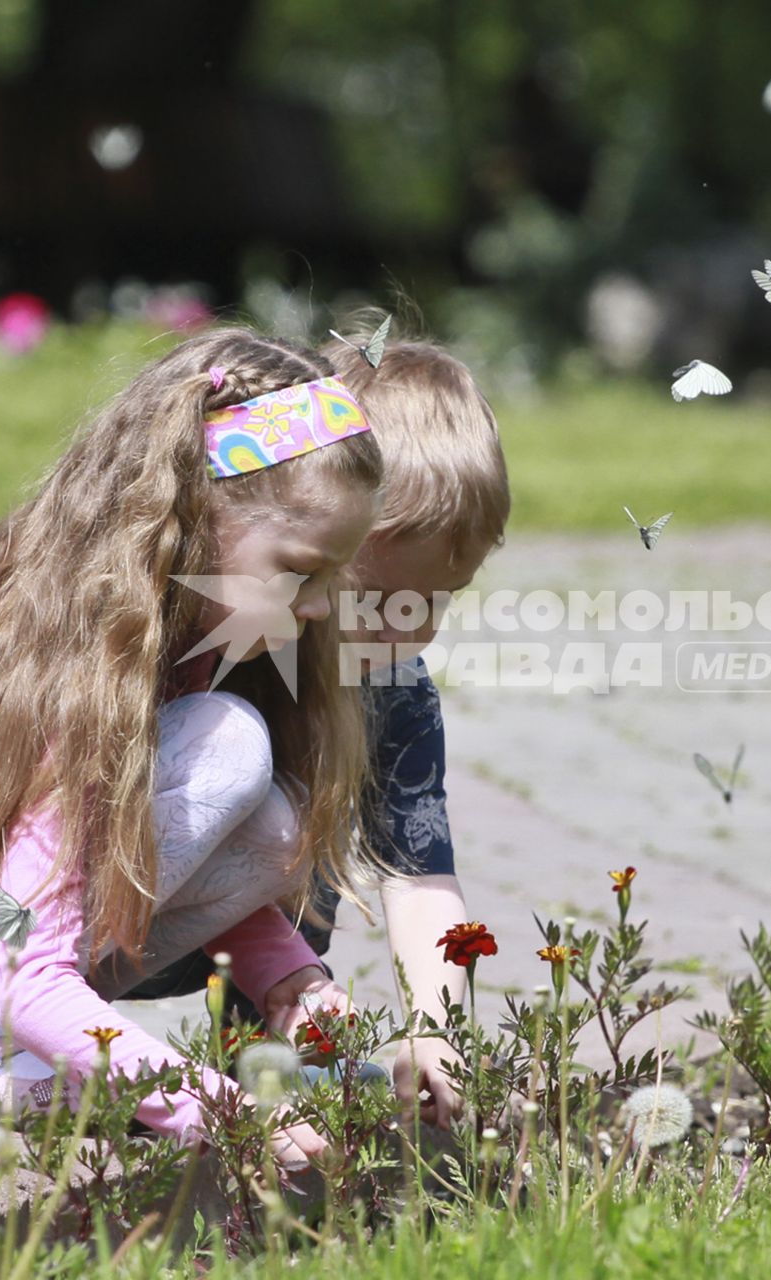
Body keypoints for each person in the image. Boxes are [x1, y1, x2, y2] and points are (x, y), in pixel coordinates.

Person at [0, 329, 382, 1164]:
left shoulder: (176, 630)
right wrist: (230, 1118)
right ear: (197, 518)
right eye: (301, 570)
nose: (316, 608)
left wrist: (289, 978)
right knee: (228, 749)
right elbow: (36, 969)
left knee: (270, 821)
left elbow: (182, 850)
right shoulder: (67, 667)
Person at [138, 333, 509, 1129]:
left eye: (439, 601)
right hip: (98, 908)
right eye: (374, 597)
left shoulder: (391, 686)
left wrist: (437, 1034)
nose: (407, 631)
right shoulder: (222, 629)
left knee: (308, 831)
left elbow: (420, 878)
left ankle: (265, 1056)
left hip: (241, 941)